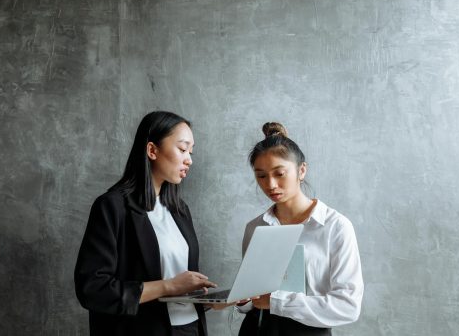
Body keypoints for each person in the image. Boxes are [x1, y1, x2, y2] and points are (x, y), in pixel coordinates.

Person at [75, 111, 231, 336]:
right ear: (152, 150)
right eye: (182, 148)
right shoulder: (112, 207)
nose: (189, 159)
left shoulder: (180, 210)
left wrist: (209, 301)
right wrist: (167, 286)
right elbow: (92, 289)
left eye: (191, 151)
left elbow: (178, 293)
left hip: (191, 328)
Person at [236, 122, 364, 336]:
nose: (271, 184)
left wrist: (276, 302)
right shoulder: (255, 227)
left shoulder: (335, 226)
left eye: (279, 173)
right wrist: (243, 299)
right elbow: (252, 297)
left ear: (301, 170)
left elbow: (348, 306)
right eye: (261, 176)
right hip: (256, 329)